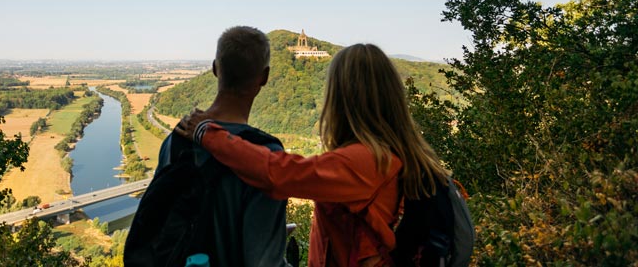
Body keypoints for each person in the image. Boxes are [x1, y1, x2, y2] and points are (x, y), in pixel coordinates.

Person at [177, 43, 449, 267]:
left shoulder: (366, 160)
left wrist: (206, 132)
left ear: (342, 96)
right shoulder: (391, 152)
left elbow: (279, 174)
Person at [125, 26, 289, 266]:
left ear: (215, 68)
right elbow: (264, 262)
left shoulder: (177, 140)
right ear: (264, 77)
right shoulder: (267, 156)